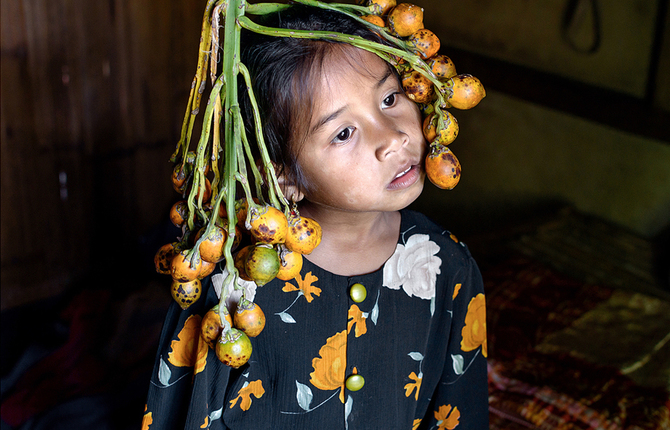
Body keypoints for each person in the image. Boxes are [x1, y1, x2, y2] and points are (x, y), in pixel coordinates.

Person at [143, 4, 488, 429]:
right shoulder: (234, 294)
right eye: (343, 132)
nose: (393, 138)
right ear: (283, 176)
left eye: (389, 98)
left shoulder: (448, 267)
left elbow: (460, 415)